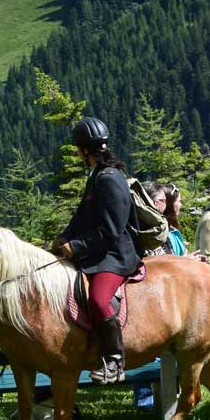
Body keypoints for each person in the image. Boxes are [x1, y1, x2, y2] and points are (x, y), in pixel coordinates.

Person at [52, 117, 141, 384]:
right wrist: (64, 238)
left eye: (78, 147)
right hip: (99, 252)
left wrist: (76, 247)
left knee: (99, 299)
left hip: (115, 255)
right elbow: (83, 217)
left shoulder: (109, 178)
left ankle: (115, 360)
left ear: (85, 149)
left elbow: (111, 230)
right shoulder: (97, 174)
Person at [158, 183, 190, 256]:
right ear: (170, 204)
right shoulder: (164, 234)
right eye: (179, 201)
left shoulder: (170, 230)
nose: (181, 205)